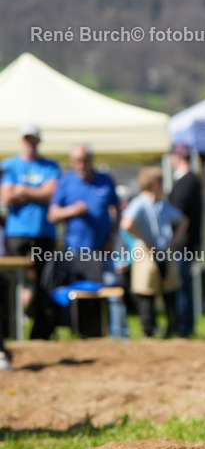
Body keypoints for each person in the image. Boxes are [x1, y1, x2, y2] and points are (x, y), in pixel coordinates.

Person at [1, 124, 62, 341]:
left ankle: (41, 333)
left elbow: (52, 194)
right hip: (17, 233)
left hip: (44, 233)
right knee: (11, 281)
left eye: (33, 139)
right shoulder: (9, 165)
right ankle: (8, 330)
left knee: (44, 283)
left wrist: (23, 190)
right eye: (27, 139)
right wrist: (38, 192)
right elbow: (7, 197)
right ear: (22, 140)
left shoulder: (51, 166)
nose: (30, 143)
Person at [120, 167, 188, 338]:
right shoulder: (139, 203)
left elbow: (183, 221)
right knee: (146, 294)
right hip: (146, 252)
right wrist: (146, 242)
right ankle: (149, 330)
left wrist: (173, 243)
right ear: (155, 184)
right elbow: (126, 224)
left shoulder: (162, 204)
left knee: (170, 291)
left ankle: (171, 329)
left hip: (164, 251)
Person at [48, 144, 121, 283]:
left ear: (91, 160)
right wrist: (72, 210)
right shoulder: (65, 182)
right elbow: (52, 215)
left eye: (85, 160)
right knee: (75, 289)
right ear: (72, 162)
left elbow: (118, 210)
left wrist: (112, 237)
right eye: (78, 161)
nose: (82, 165)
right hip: (74, 251)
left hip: (102, 250)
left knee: (111, 286)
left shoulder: (105, 180)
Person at [167, 143, 203, 337]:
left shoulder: (186, 182)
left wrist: (172, 242)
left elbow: (177, 214)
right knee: (183, 286)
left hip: (182, 245)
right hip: (186, 244)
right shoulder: (191, 180)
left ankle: (183, 328)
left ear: (177, 157)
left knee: (181, 286)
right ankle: (185, 327)